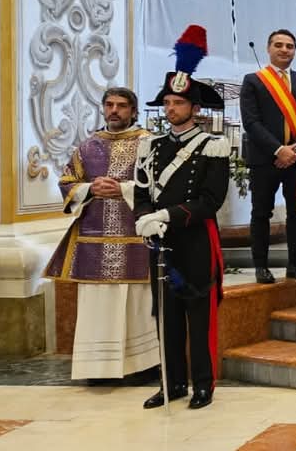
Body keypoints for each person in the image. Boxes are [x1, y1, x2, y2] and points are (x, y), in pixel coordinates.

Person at [134, 25, 229, 410]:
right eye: (168, 102)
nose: (171, 108)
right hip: (158, 241)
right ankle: (171, 383)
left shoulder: (213, 146)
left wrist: (166, 215)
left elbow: (210, 200)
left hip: (195, 240)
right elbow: (141, 190)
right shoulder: (150, 147)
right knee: (166, 313)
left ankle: (202, 384)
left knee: (198, 313)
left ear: (195, 108)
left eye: (178, 103)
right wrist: (144, 218)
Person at [43, 87, 158, 384]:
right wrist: (90, 189)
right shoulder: (87, 146)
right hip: (94, 238)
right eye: (109, 105)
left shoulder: (150, 144)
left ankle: (140, 367)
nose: (115, 110)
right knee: (97, 306)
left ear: (133, 111)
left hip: (135, 237)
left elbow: (161, 186)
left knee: (136, 303)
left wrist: (123, 188)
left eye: (121, 105)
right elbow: (68, 181)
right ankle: (96, 369)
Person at [239, 30, 296, 284]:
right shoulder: (254, 81)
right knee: (261, 213)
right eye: (279, 45)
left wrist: (295, 150)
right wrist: (279, 150)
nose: (284, 50)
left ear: (295, 50)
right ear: (269, 48)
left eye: (290, 46)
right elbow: (251, 122)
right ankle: (261, 266)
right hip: (266, 159)